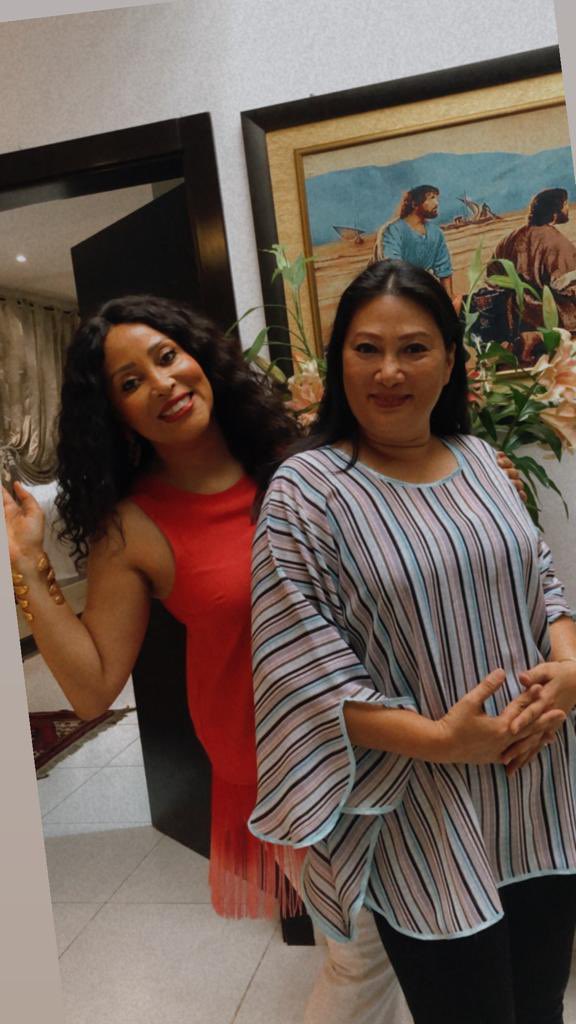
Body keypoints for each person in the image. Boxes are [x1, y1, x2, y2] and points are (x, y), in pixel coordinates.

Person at [2, 293, 529, 1024]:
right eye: (130, 382)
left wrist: (480, 478)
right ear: (114, 414)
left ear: (200, 357)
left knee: (432, 924)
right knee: (362, 954)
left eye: (166, 356)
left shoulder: (309, 460)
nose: (162, 383)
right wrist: (28, 565)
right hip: (279, 760)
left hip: (399, 727)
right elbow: (92, 690)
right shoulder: (134, 527)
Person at [248, 260, 576, 1024]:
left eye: (414, 348)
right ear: (339, 361)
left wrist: (569, 664)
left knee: (540, 1002)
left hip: (537, 782)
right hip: (423, 806)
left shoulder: (482, 462)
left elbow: (540, 578)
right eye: (366, 348)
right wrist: (441, 741)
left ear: (450, 359)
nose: (389, 371)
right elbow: (300, 669)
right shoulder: (306, 490)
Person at [488, 187, 576, 360]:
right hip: (549, 318)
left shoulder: (509, 238)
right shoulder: (556, 241)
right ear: (555, 211)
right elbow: (566, 286)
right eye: (565, 204)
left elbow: (492, 277)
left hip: (514, 319)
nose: (568, 208)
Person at [372, 186, 453, 296]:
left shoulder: (436, 233)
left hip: (422, 291)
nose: (437, 203)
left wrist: (449, 301)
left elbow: (444, 270)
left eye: (436, 198)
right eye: (431, 198)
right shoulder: (393, 230)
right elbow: (393, 268)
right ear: (415, 204)